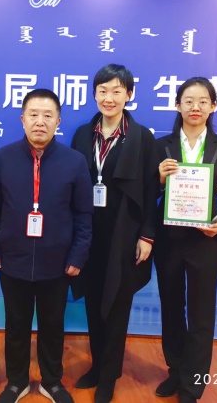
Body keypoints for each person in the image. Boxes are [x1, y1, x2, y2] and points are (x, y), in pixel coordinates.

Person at [0, 89, 93, 403]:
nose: (40, 122)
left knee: (52, 325)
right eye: (33, 115)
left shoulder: (75, 162)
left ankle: (51, 381)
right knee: (15, 325)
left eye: (47, 115)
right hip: (12, 259)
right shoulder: (2, 159)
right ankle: (16, 382)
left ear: (58, 121)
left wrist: (78, 255)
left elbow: (84, 214)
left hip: (57, 262)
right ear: (22, 119)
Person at [70, 64, 159, 403]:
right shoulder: (82, 134)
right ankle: (97, 366)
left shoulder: (142, 137)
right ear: (94, 94)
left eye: (117, 91)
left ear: (129, 95)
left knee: (117, 306)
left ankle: (109, 376)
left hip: (125, 234)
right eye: (103, 91)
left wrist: (147, 235)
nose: (109, 98)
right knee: (94, 301)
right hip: (88, 233)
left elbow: (151, 190)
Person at [153, 77, 217, 403]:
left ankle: (194, 384)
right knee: (172, 309)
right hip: (169, 241)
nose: (195, 107)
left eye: (203, 101)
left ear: (213, 106)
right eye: (188, 101)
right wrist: (159, 179)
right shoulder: (160, 146)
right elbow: (146, 194)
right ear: (177, 105)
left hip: (205, 242)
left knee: (202, 314)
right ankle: (176, 371)